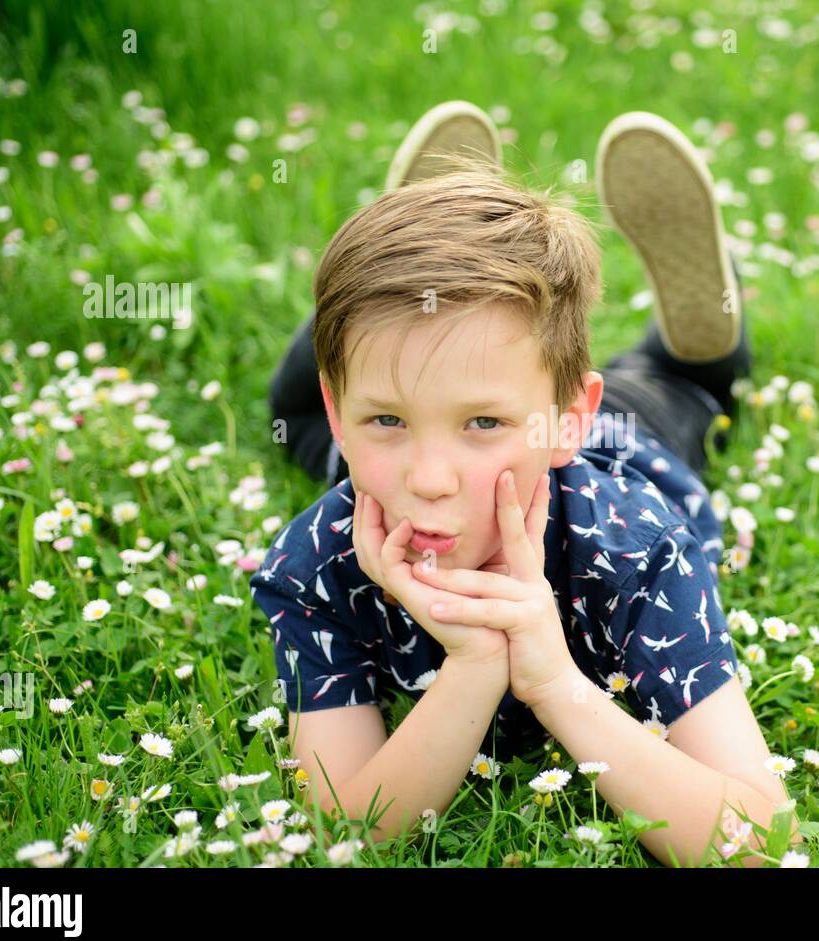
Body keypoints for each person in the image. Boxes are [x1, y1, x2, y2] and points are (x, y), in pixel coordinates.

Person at [252, 103, 790, 867]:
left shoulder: (636, 551)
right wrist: (473, 668)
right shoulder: (316, 564)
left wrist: (554, 679)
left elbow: (762, 846)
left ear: (564, 417)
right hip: (490, 418)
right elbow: (346, 833)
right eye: (385, 420)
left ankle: (702, 346)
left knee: (687, 392)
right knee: (302, 413)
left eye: (480, 425)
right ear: (352, 413)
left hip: (625, 443)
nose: (430, 481)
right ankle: (395, 273)